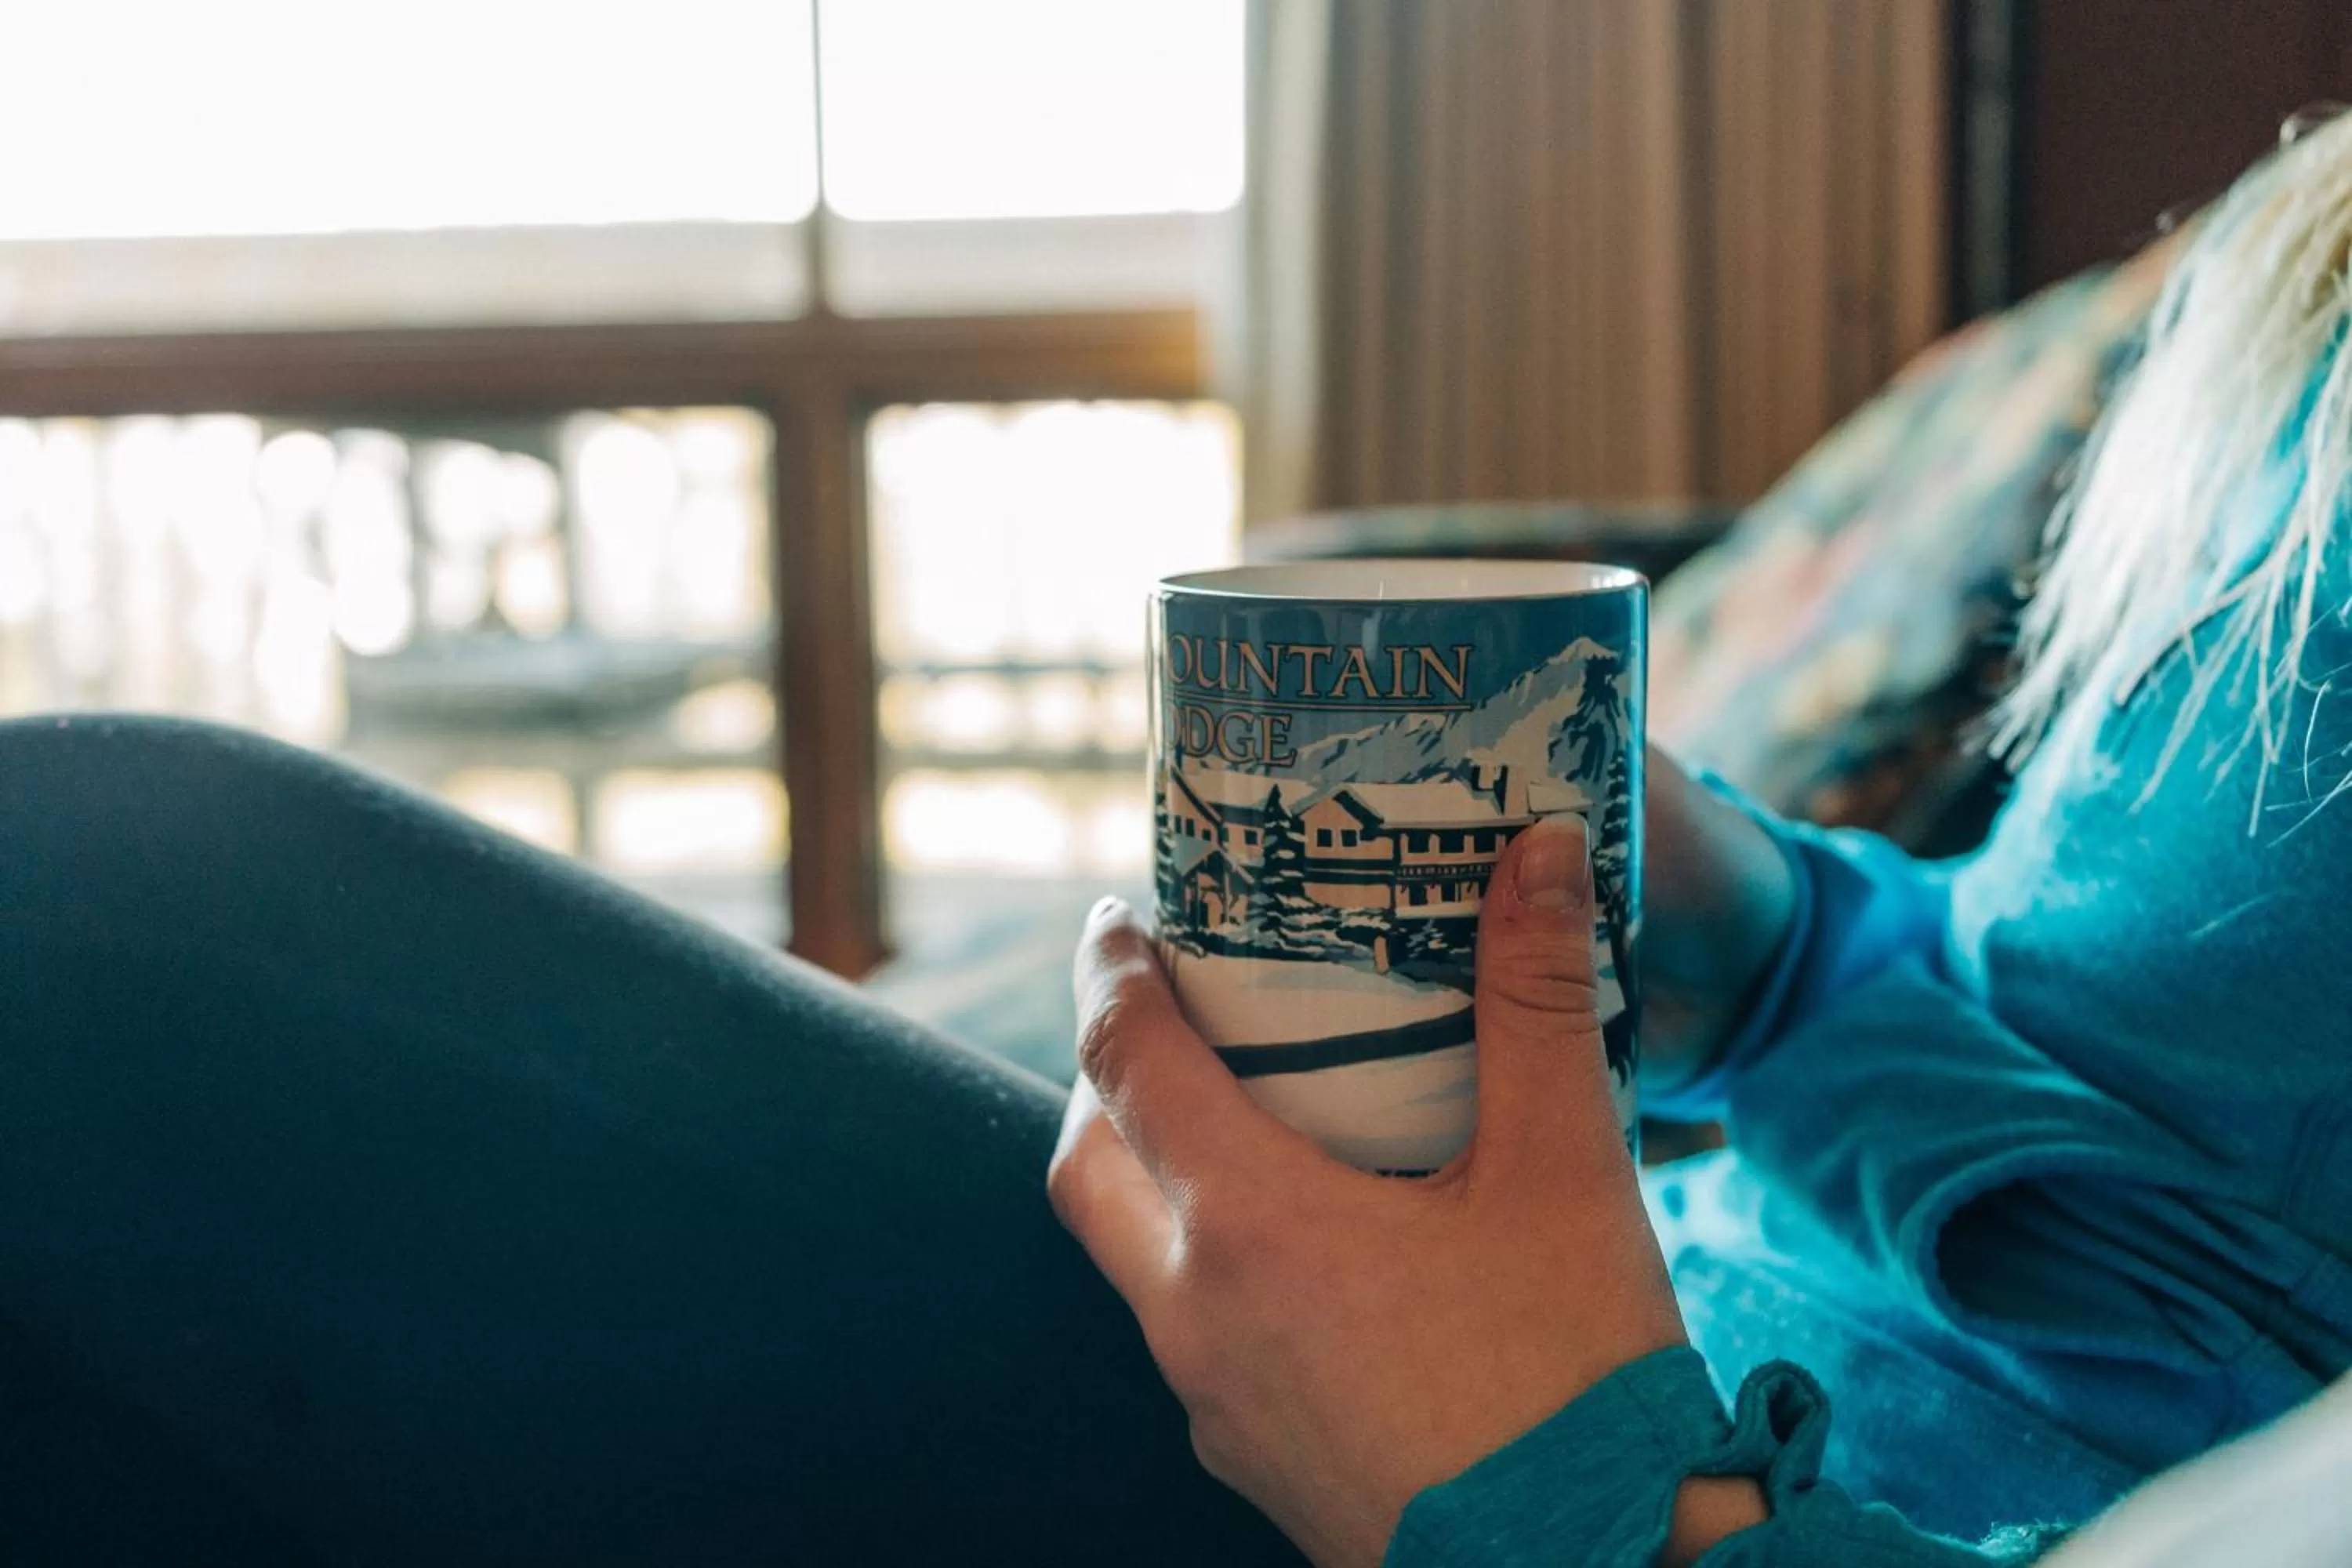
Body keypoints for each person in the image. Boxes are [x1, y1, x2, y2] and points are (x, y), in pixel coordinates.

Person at [5, 117, 2351, 1568]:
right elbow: (2143, 1087)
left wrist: (1581, 1498)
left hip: (1567, 1499)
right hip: (1597, 1346)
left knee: (100, 911)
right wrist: (1747, 933)